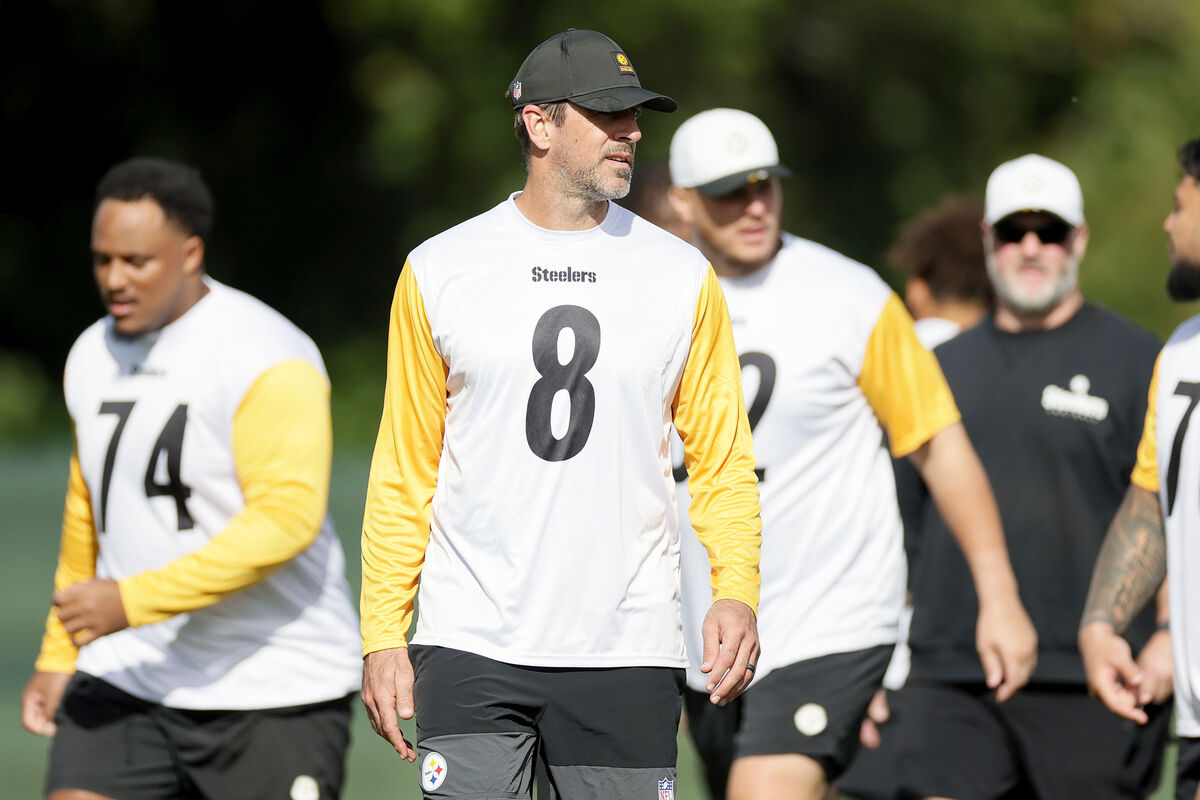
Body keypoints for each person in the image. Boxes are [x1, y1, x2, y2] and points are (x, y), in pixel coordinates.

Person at [358, 30, 763, 800]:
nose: (631, 132)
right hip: (470, 639)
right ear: (538, 125)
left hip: (627, 644)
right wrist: (383, 631)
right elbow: (404, 471)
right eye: (608, 114)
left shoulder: (681, 275)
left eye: (635, 115)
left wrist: (736, 589)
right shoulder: (440, 269)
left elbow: (722, 462)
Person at [665, 107, 1036, 800]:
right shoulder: (654, 295)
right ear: (682, 202)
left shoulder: (850, 296)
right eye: (728, 192)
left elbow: (941, 448)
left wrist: (1000, 596)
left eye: (765, 185)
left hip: (829, 620)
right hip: (705, 633)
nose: (754, 206)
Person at [20, 157, 362, 799]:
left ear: (190, 253)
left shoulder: (265, 353)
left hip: (273, 687)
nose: (114, 279)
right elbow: (87, 509)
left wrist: (132, 601)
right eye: (102, 260)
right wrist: (60, 653)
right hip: (126, 675)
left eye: (135, 261)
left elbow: (285, 521)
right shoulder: (90, 353)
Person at [898, 153, 1169, 800]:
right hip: (952, 672)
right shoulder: (935, 369)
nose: (1030, 247)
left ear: (1079, 240)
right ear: (987, 239)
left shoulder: (1143, 362)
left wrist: (1167, 636)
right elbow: (900, 527)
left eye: (1048, 232)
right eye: (1013, 231)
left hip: (1096, 676)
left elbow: (1169, 515)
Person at [838, 194, 995, 800]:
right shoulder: (1005, 371)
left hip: (887, 641)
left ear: (920, 287)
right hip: (982, 645)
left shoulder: (886, 359)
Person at [1080, 137, 1200, 800]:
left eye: (1180, 206)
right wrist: (1102, 622)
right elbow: (1154, 500)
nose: (1167, 224)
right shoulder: (1181, 352)